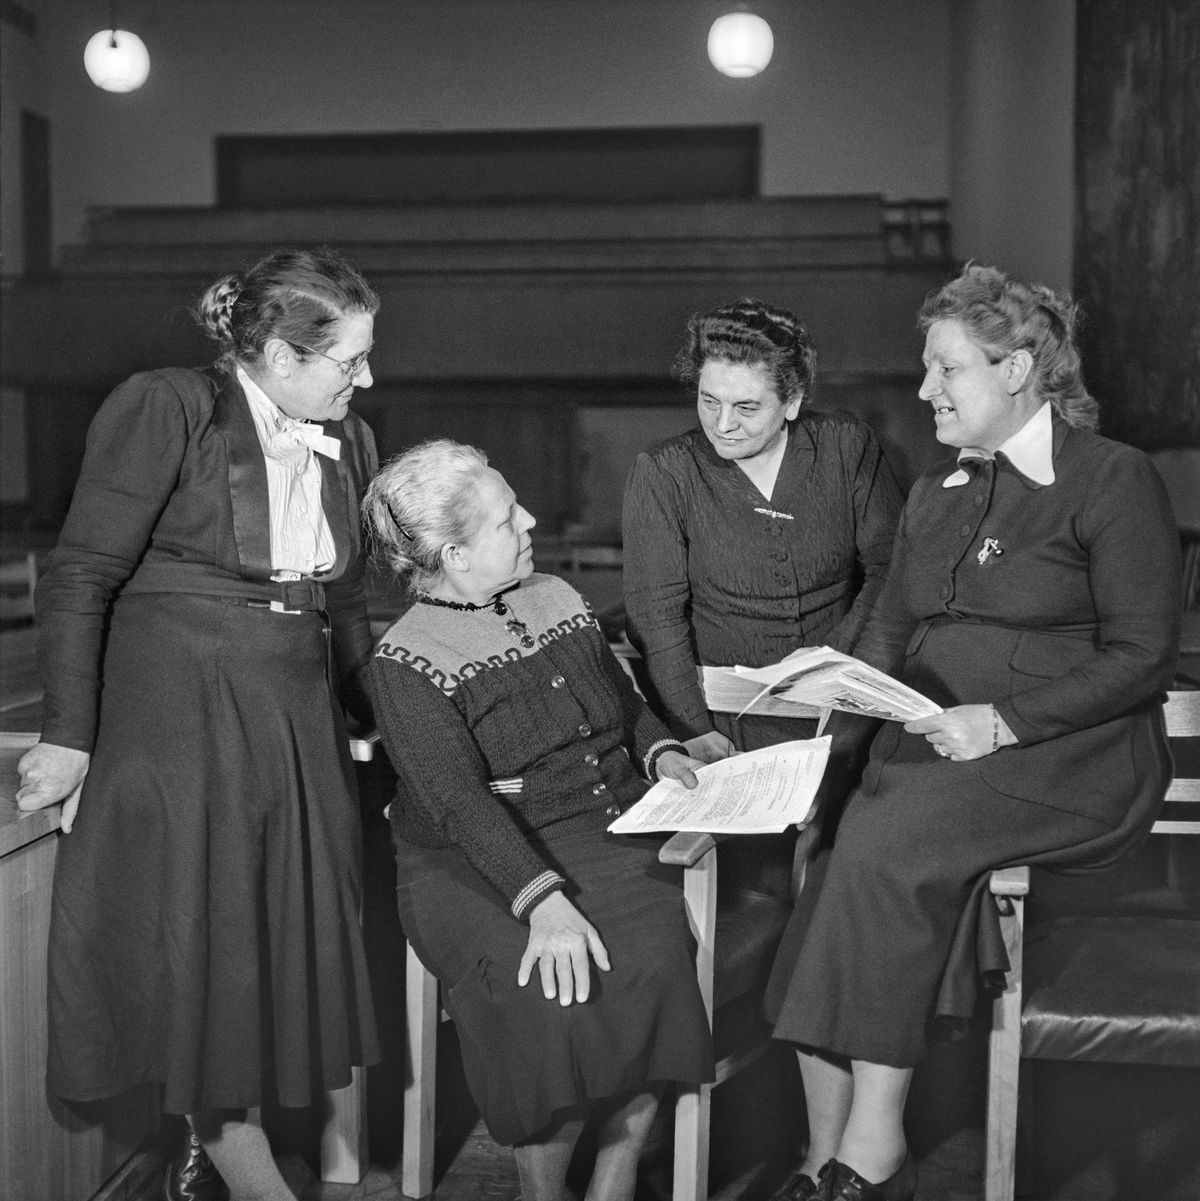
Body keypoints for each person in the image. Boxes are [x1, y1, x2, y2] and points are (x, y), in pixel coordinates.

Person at [763, 265, 1181, 1201]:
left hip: (1068, 758)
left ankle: (874, 1154)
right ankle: (819, 1159)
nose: (925, 391)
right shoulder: (940, 489)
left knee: (885, 838)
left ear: (1018, 369)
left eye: (946, 370)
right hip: (934, 749)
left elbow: (1144, 655)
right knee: (826, 844)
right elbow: (892, 630)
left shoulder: (1112, 478)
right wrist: (828, 724)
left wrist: (1001, 721)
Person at [17, 248, 383, 1201]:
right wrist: (69, 734)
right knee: (207, 950)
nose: (366, 378)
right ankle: (228, 1156)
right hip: (184, 710)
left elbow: (345, 609)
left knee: (280, 951)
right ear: (274, 351)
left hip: (294, 718)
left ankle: (216, 1145)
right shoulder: (168, 405)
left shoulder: (352, 437)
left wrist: (377, 717)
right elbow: (84, 572)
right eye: (348, 360)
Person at [364, 439, 715, 1201]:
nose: (527, 520)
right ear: (454, 554)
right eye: (503, 519)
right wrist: (543, 902)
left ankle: (614, 1180)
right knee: (544, 994)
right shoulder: (403, 661)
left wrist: (662, 756)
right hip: (467, 861)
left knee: (655, 960)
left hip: (601, 829)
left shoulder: (557, 595)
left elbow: (623, 706)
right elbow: (459, 804)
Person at [622, 299, 904, 891]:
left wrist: (837, 665)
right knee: (755, 890)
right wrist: (692, 726)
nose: (723, 423)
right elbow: (657, 616)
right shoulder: (665, 472)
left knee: (853, 873)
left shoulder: (845, 445)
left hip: (846, 709)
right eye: (708, 401)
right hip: (728, 724)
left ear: (793, 404)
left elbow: (889, 571)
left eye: (747, 407)